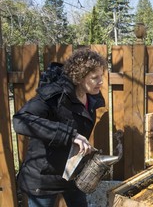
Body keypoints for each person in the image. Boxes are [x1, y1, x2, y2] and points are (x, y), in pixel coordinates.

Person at [13, 48, 108, 207]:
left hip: (72, 173)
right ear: (79, 77)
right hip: (43, 177)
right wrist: (70, 135)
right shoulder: (54, 94)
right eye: (95, 77)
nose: (101, 82)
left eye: (101, 76)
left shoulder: (91, 96)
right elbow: (21, 120)